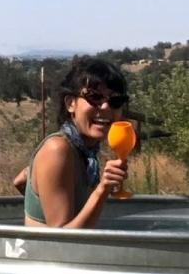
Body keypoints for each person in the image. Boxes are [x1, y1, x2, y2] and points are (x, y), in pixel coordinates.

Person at [23, 57, 130, 228]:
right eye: (94, 97)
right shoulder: (57, 150)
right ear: (70, 103)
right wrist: (102, 190)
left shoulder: (84, 153)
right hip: (45, 254)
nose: (105, 107)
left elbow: (20, 180)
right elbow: (63, 242)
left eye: (115, 101)